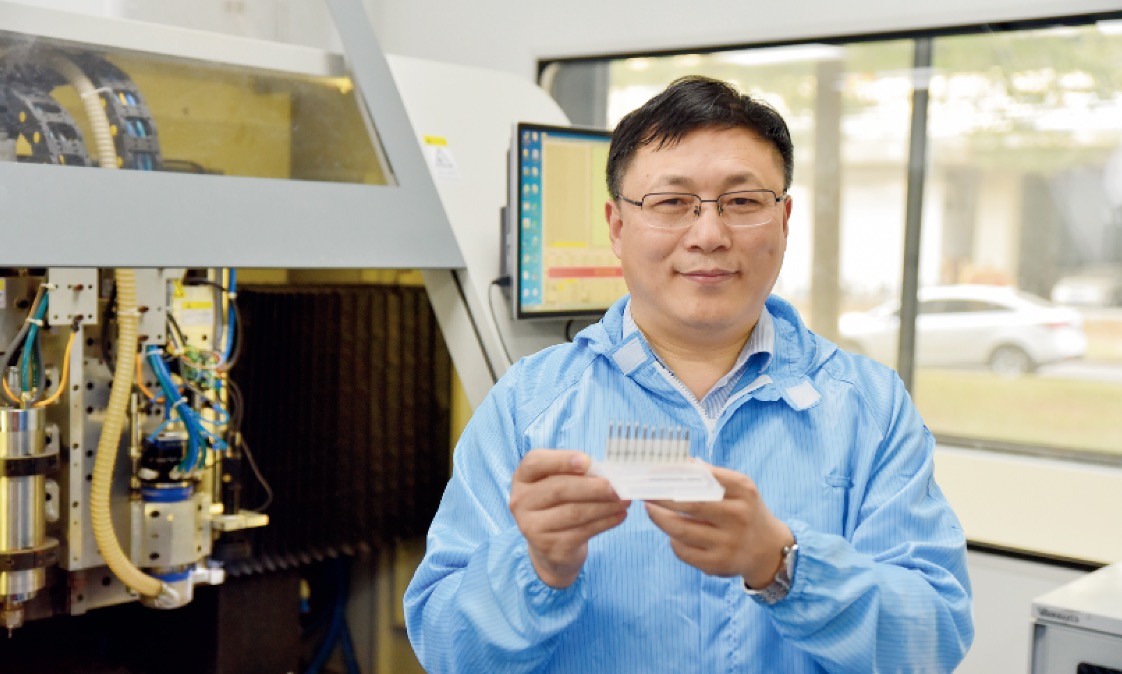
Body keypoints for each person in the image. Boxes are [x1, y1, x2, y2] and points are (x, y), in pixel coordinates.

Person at [404, 75, 973, 673]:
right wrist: (536, 568)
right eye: (671, 203)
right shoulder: (528, 406)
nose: (708, 235)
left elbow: (932, 641)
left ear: (784, 220)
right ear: (617, 227)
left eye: (742, 202)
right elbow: (446, 649)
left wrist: (784, 565)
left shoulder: (869, 408)